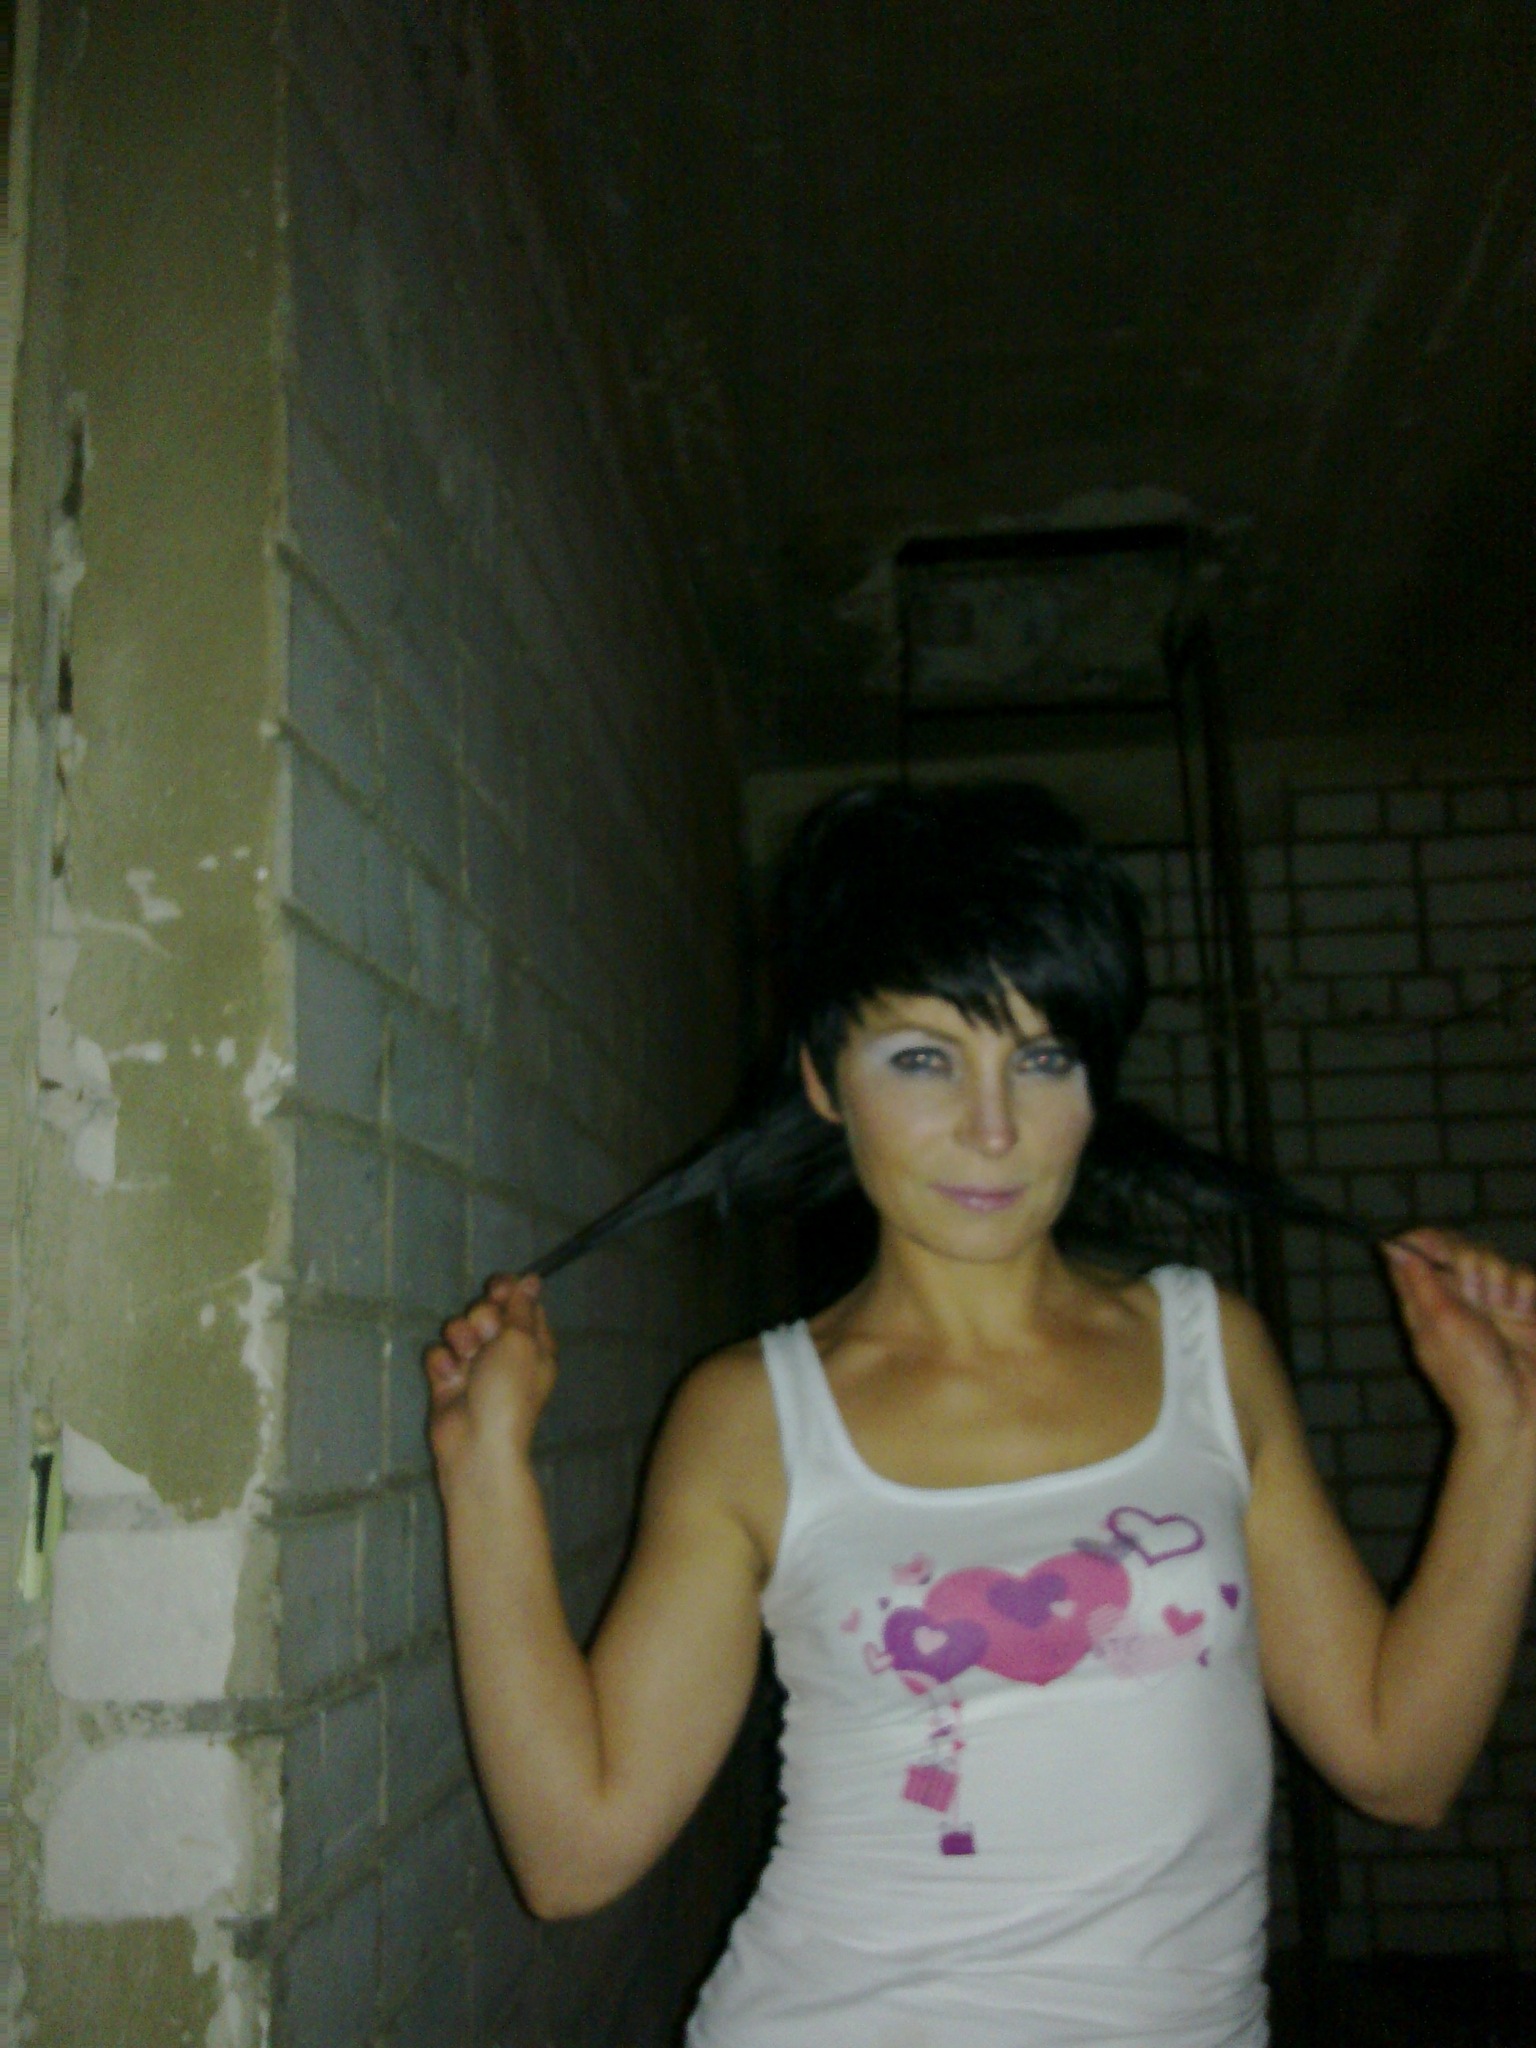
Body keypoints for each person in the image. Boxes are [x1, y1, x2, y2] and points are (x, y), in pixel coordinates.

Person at [425, 782, 1536, 2047]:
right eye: (922, 1057)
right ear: (823, 1079)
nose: (994, 1128)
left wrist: (1509, 1432)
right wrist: (484, 1465)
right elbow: (574, 1851)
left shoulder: (1209, 1351)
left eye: (1043, 1058)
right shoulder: (754, 1416)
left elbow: (1401, 1763)